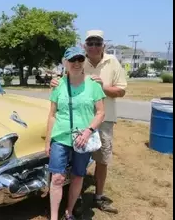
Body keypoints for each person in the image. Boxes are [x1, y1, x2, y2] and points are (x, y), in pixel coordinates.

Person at [50, 30, 127, 214]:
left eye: (97, 42)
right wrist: (56, 81)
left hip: (103, 119)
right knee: (74, 165)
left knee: (101, 159)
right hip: (74, 123)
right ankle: (75, 200)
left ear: (103, 45)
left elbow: (122, 91)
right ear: (85, 46)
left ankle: (98, 197)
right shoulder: (78, 60)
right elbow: (65, 81)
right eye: (90, 43)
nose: (94, 46)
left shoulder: (112, 62)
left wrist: (102, 87)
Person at [45, 46, 106, 220]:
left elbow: (101, 113)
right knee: (57, 177)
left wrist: (88, 132)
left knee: (78, 176)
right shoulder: (58, 85)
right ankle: (54, 217)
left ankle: (69, 211)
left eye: (80, 59)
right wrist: (47, 141)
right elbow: (52, 115)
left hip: (83, 139)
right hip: (61, 137)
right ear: (65, 63)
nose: (77, 63)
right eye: (72, 60)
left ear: (84, 61)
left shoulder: (93, 85)